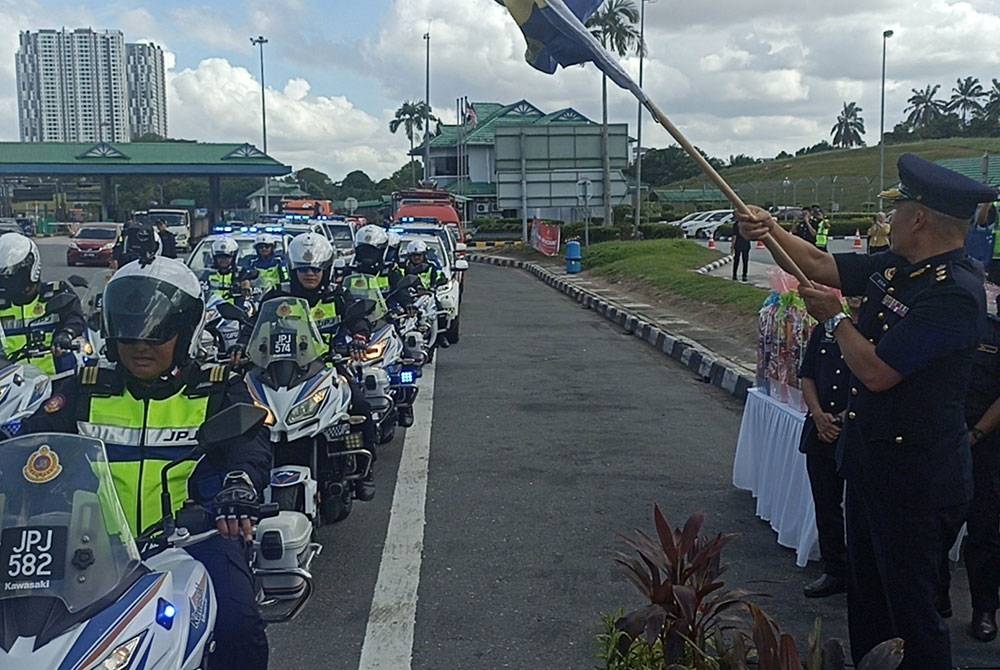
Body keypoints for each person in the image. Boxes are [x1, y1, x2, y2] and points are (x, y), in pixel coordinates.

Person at [737, 153, 996, 669]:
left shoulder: (954, 294)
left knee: (912, 616)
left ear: (919, 217)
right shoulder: (902, 268)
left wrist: (834, 321)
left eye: (898, 208)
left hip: (916, 482)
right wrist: (768, 231)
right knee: (869, 603)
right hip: (874, 467)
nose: (890, 218)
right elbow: (819, 265)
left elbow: (878, 372)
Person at [15, 257, 272, 670]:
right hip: (85, 551)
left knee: (238, 623)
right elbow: (28, 443)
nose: (141, 345)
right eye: (130, 333)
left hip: (192, 540)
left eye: (157, 334)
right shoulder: (82, 391)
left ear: (186, 331)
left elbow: (249, 442)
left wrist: (239, 485)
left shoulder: (216, 390)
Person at [255, 232, 377, 501]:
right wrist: (241, 346)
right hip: (279, 373)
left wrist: (359, 335)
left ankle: (365, 472)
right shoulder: (277, 298)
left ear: (326, 269)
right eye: (303, 269)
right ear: (293, 269)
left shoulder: (337, 297)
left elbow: (358, 318)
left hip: (327, 368)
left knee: (361, 406)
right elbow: (253, 328)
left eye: (316, 268)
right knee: (248, 416)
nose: (310, 274)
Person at [798, 297, 862, 599]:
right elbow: (807, 374)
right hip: (821, 428)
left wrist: (839, 420)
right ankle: (834, 568)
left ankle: (863, 573)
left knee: (860, 509)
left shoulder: (880, 333)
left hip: (857, 432)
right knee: (826, 504)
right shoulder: (826, 330)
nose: (858, 300)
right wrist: (819, 416)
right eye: (854, 295)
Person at [962, 312, 1000, 642]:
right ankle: (937, 596)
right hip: (939, 436)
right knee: (934, 526)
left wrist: (975, 433)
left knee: (984, 529)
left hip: (985, 442)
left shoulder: (994, 331)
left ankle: (985, 608)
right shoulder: (949, 320)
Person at [0, 233, 86, 377]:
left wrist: (65, 335)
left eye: (13, 275)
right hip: (12, 385)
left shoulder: (57, 294)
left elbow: (75, 319)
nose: (9, 282)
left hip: (55, 380)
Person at [352, 225, 403, 291]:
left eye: (371, 251)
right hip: (355, 301)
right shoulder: (351, 272)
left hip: (384, 301)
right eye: (363, 250)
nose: (367, 254)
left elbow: (401, 295)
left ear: (381, 251)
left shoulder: (390, 273)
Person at [204, 236, 241, 300]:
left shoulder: (240, 274)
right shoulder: (207, 274)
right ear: (214, 258)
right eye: (220, 257)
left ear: (234, 258)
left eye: (227, 257)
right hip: (211, 307)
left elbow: (249, 286)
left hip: (235, 308)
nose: (224, 260)